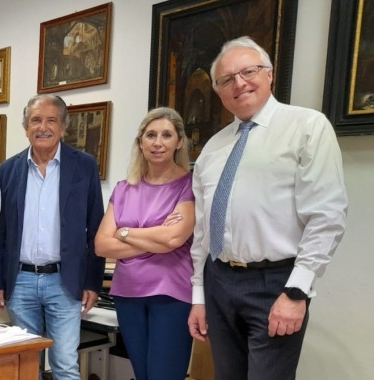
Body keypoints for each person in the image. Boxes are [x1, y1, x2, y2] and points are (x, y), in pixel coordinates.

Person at [189, 36, 348, 379]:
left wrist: (297, 291)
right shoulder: (212, 148)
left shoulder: (307, 127)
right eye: (226, 79)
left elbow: (327, 216)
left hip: (275, 282)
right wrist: (198, 296)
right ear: (217, 90)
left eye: (249, 71)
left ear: (270, 74)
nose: (239, 83)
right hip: (218, 280)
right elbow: (203, 229)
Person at [0, 94, 105, 380]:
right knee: (27, 367)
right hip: (21, 281)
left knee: (65, 365)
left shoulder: (84, 166)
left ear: (63, 127)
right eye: (36, 120)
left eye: (51, 120)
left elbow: (96, 228)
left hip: (64, 282)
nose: (43, 127)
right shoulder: (9, 170)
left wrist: (92, 281)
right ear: (26, 127)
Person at [94, 107, 195, 380]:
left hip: (171, 294)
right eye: (150, 135)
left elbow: (175, 237)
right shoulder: (124, 188)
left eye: (166, 135)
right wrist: (156, 239)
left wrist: (124, 232)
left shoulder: (190, 185)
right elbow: (101, 245)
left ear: (179, 142)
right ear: (141, 142)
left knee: (165, 375)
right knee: (142, 374)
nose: (158, 142)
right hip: (128, 293)